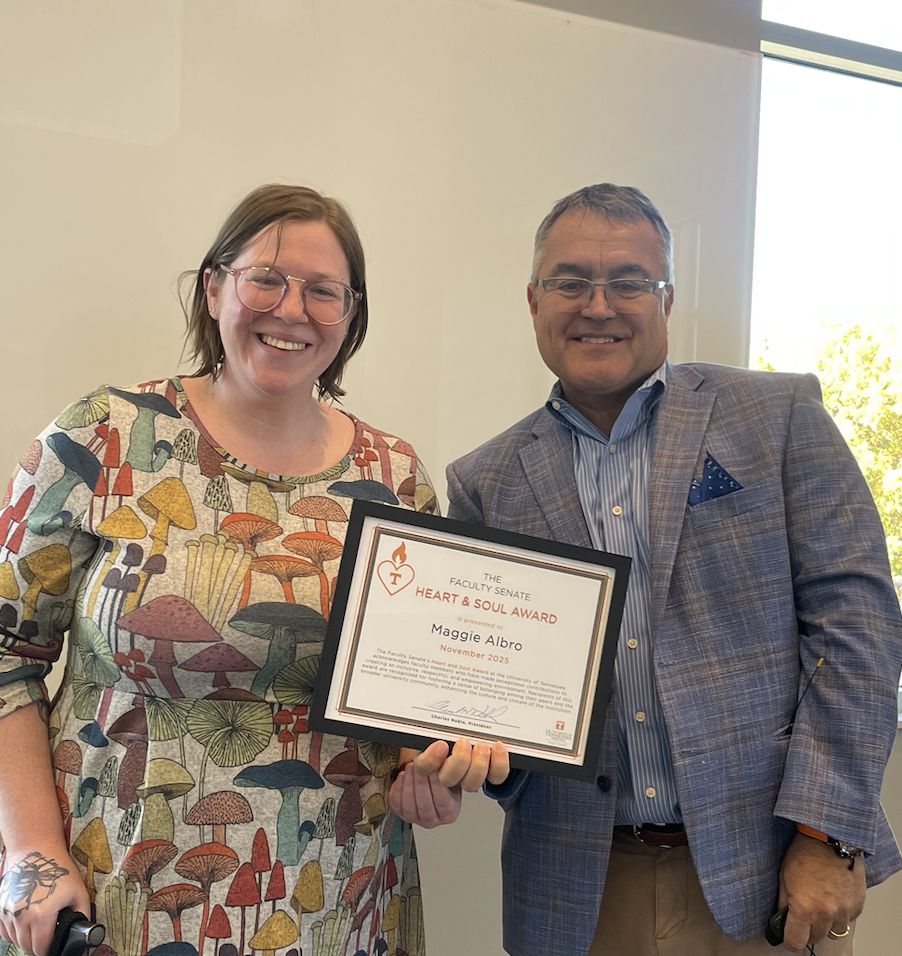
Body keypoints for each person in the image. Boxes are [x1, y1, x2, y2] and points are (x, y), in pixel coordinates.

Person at [396, 183, 902, 955]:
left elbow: (859, 628)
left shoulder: (778, 416)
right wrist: (464, 751)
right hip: (576, 893)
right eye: (570, 281)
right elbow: (487, 692)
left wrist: (828, 835)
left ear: (667, 297)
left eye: (628, 280)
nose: (598, 304)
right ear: (533, 301)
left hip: (771, 872)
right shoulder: (484, 481)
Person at [0, 184, 438, 956]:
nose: (292, 308)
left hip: (343, 895)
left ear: (352, 312)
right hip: (111, 891)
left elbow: (415, 685)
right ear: (214, 288)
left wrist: (427, 765)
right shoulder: (101, 438)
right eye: (265, 278)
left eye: (323, 291)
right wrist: (31, 854)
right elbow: (5, 659)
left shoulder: (396, 477)